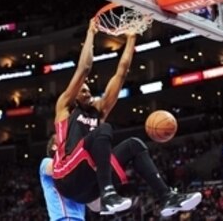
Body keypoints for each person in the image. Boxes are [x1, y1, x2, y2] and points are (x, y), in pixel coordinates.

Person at [52, 19, 202, 217]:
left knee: (135, 144)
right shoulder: (65, 109)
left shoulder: (100, 111)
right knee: (103, 130)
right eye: (83, 90)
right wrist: (91, 33)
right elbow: (84, 68)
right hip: (66, 175)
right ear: (73, 94)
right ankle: (108, 194)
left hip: (89, 187)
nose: (88, 93)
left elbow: (121, 73)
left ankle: (166, 196)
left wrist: (131, 38)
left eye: (89, 90)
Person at [39, 136, 101, 221]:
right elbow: (59, 169)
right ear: (54, 146)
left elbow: (96, 207)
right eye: (63, 140)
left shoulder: (77, 177)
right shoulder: (46, 162)